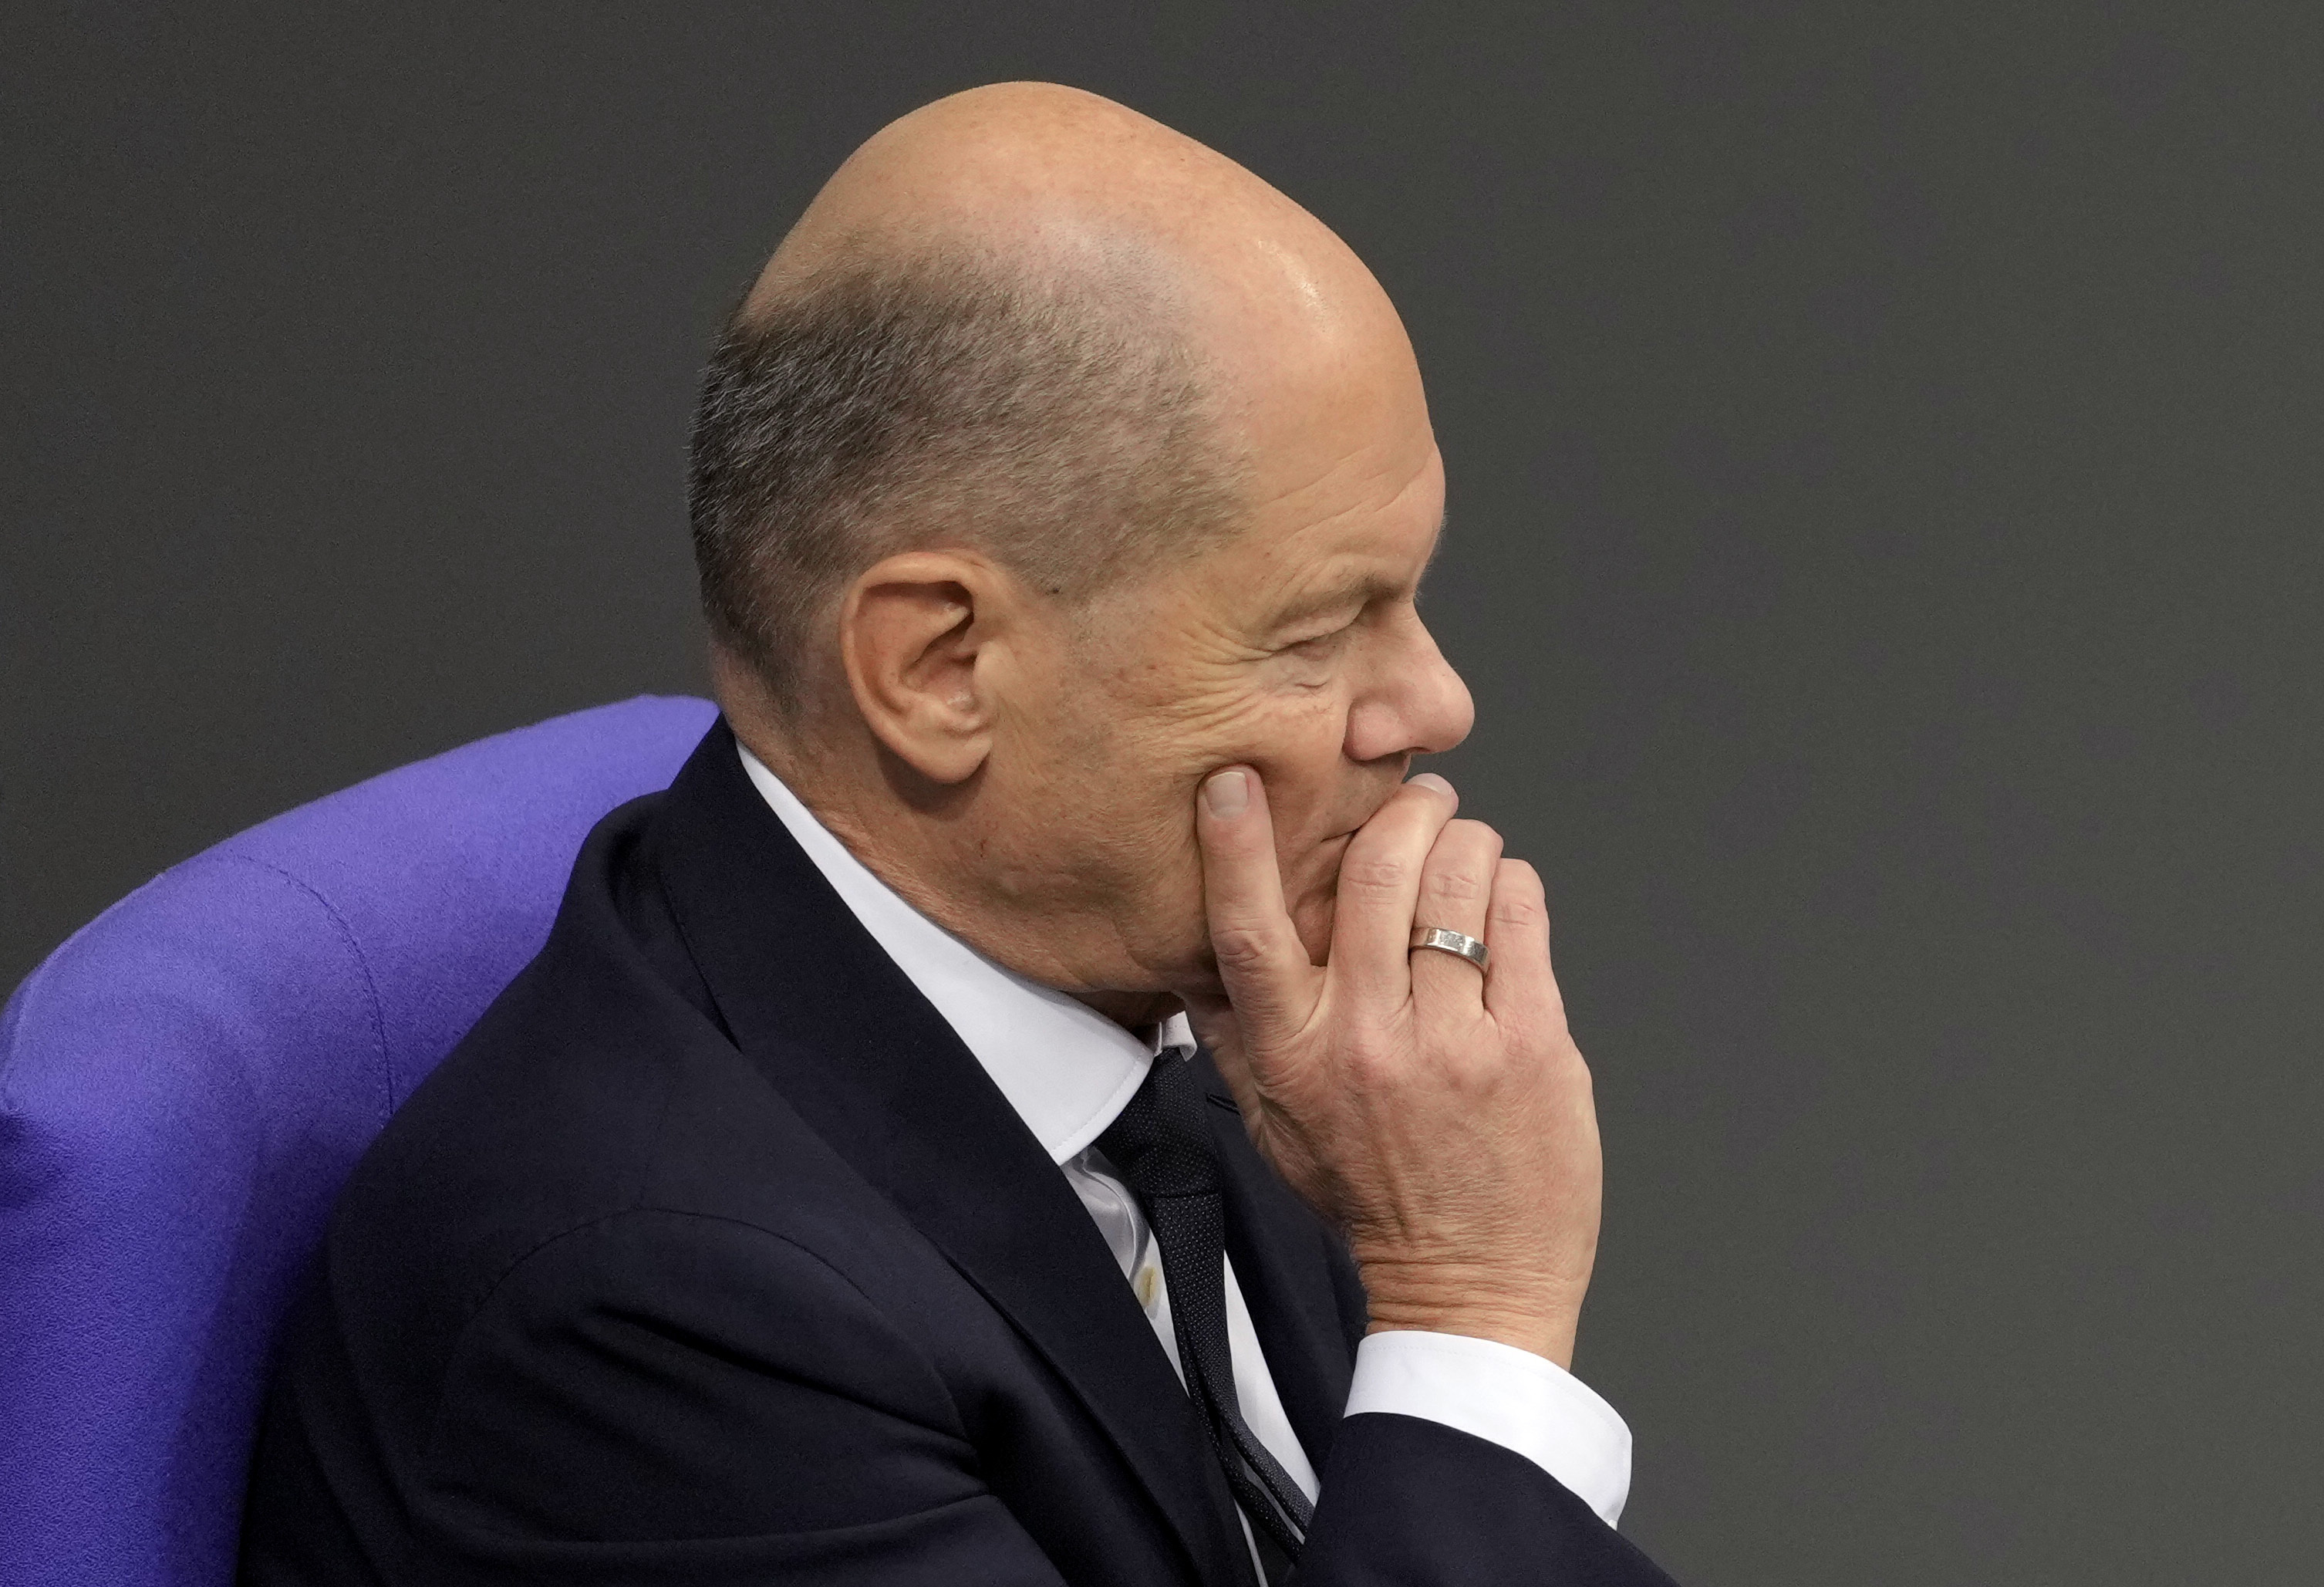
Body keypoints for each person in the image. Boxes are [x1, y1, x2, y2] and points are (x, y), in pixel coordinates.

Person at [238, 82, 1681, 1586]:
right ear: (937, 670)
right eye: (1318, 631)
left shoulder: (1199, 1035)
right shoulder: (642, 1316)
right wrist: (1466, 1311)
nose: (1432, 700)